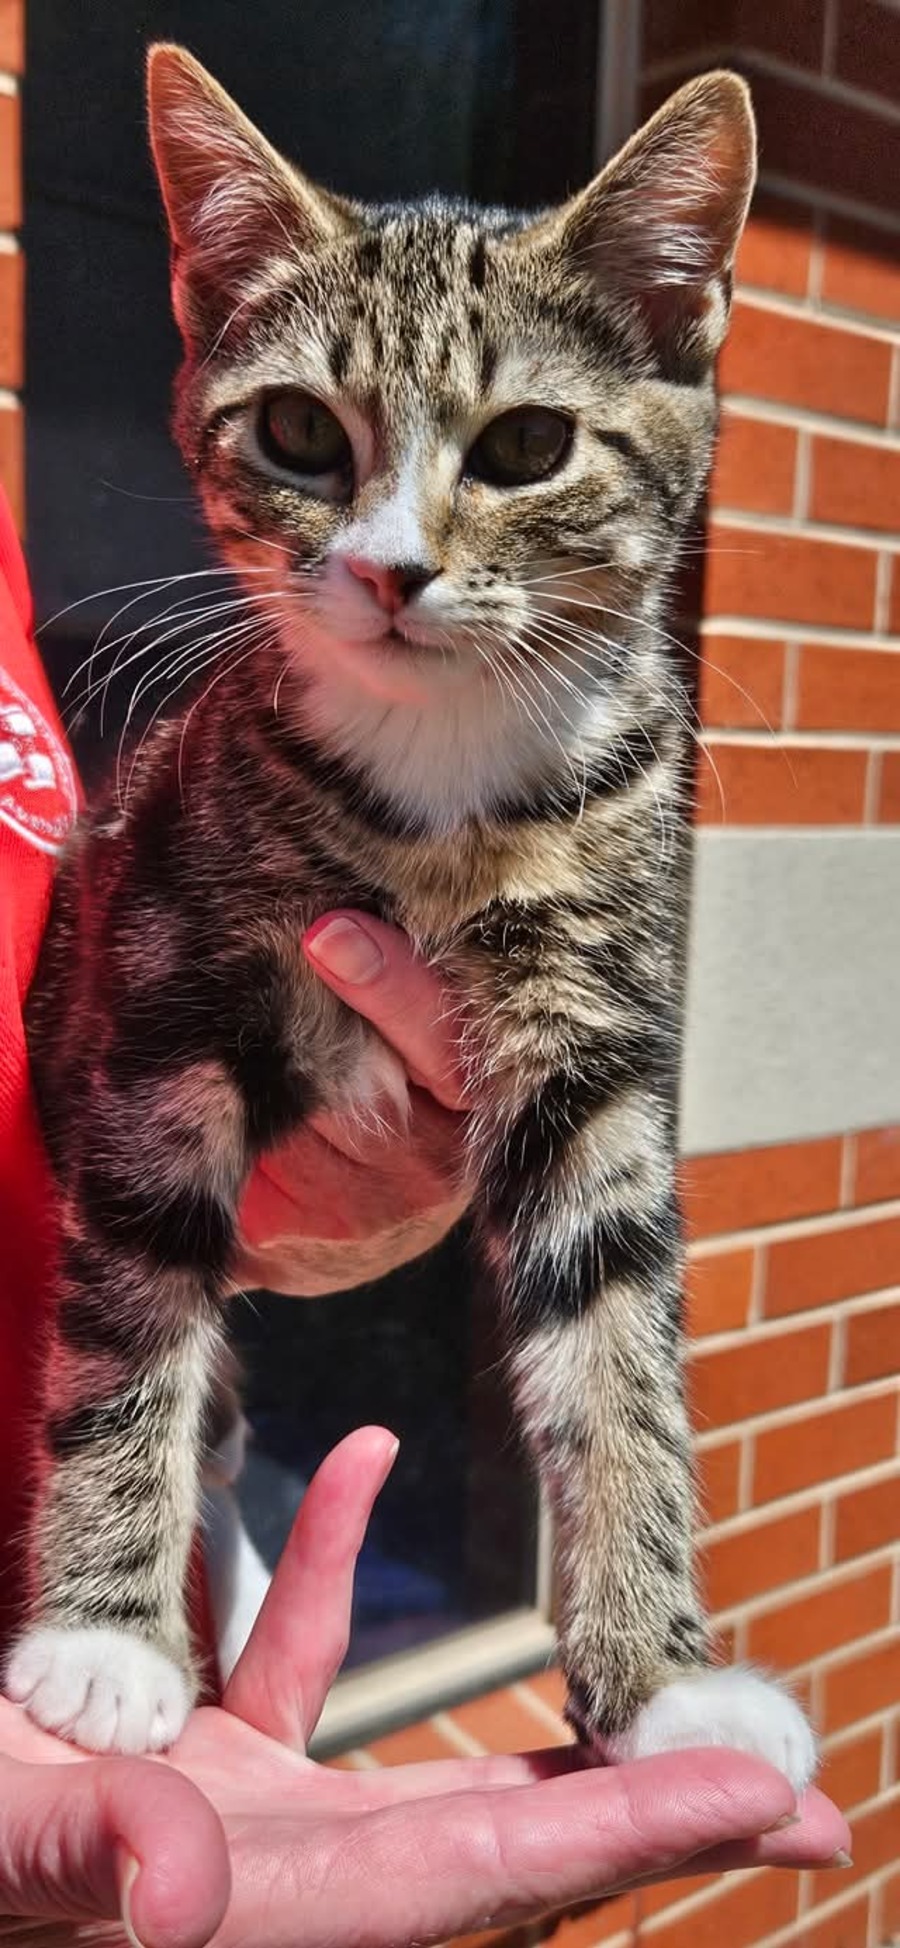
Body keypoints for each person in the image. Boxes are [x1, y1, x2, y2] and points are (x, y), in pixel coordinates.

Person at [0, 484, 849, 1946]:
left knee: (601, 1202)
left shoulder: (619, 759)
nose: (395, 552)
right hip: (106, 1561)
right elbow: (134, 1127)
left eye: (519, 447)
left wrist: (320, 1209)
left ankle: (640, 1651)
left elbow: (597, 1225)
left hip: (139, 1679)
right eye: (305, 443)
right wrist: (108, 1589)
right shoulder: (240, 744)